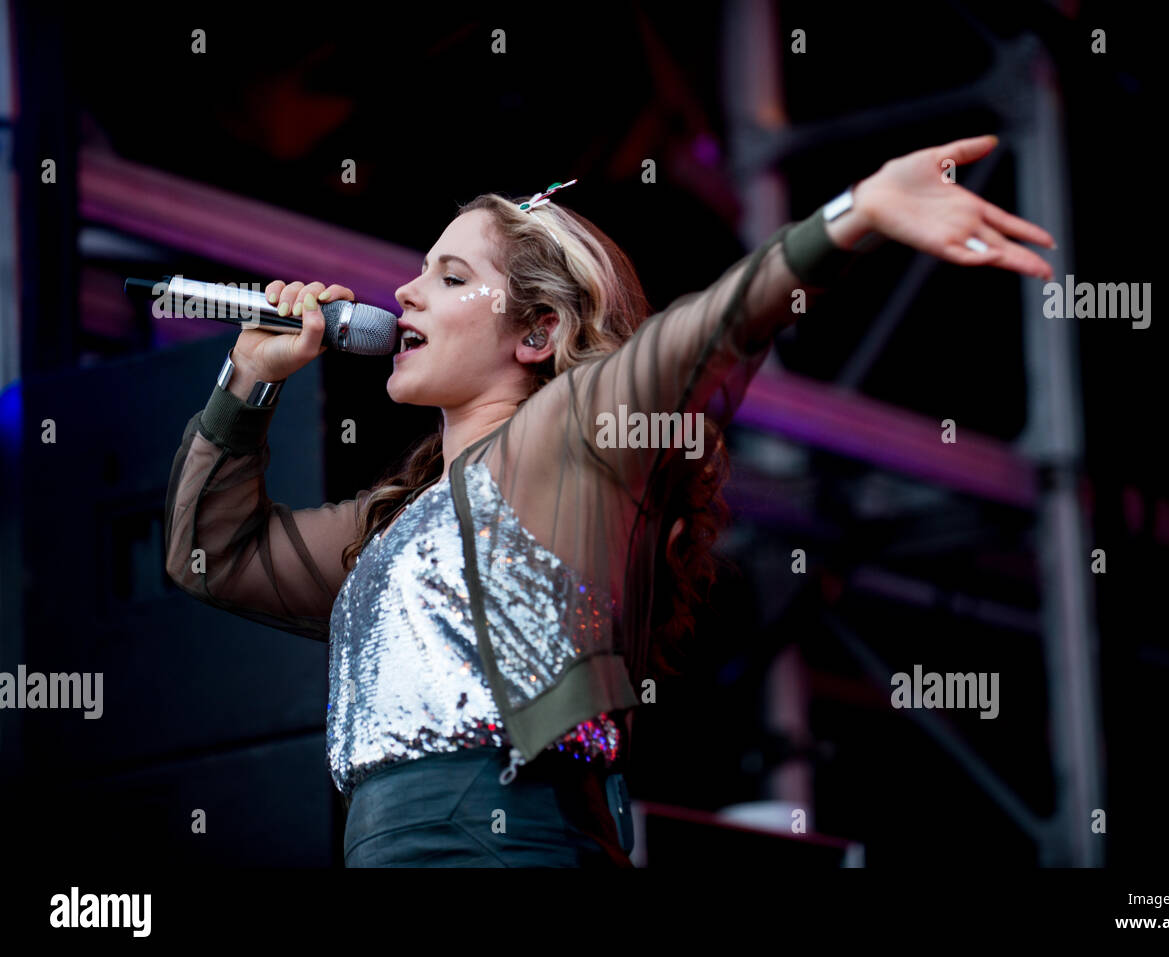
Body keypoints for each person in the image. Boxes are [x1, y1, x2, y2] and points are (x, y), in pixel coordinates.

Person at [163, 135, 1055, 867]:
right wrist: (247, 379)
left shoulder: (574, 441)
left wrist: (854, 215)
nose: (403, 291)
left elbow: (704, 329)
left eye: (448, 274)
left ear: (539, 331)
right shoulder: (392, 522)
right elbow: (215, 556)